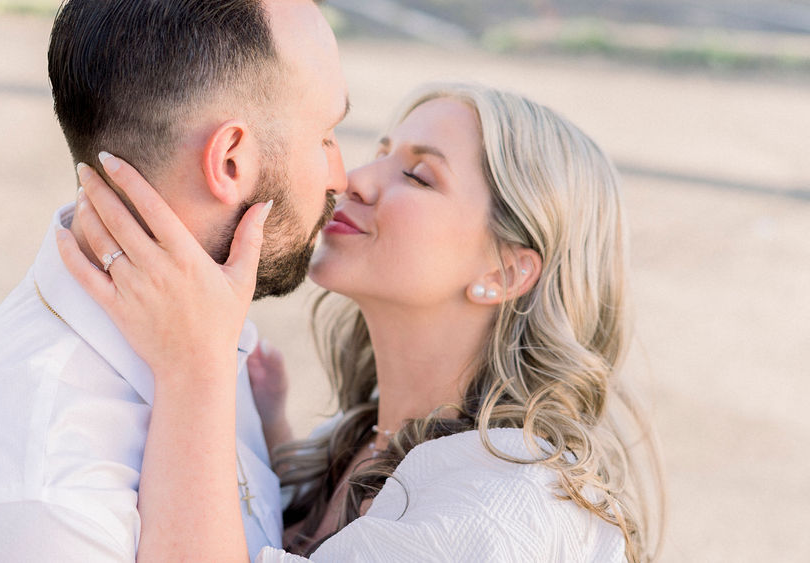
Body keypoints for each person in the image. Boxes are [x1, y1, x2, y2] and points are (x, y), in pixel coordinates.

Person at [0, 0, 350, 562]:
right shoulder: (36, 494)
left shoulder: (197, 329)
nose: (344, 176)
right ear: (229, 160)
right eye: (327, 137)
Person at [62, 82, 664, 561]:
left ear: (507, 271)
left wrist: (193, 368)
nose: (354, 180)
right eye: (380, 153)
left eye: (418, 176)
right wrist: (272, 436)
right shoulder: (358, 442)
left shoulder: (507, 511)